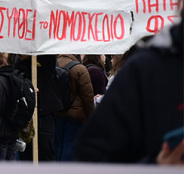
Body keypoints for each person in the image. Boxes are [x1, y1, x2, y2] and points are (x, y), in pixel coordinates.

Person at [75, 19, 183, 164]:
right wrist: (156, 168)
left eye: (112, 57)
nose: (109, 59)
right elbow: (93, 152)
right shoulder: (144, 71)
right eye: (107, 57)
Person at [54, 53, 94, 161]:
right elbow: (88, 96)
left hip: (56, 113)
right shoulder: (79, 68)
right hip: (75, 115)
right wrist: (91, 117)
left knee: (57, 145)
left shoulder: (52, 66)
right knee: (70, 144)